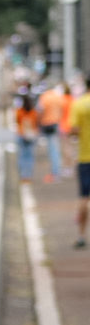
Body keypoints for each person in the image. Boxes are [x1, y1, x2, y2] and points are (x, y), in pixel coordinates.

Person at [66, 77, 90, 248]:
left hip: (85, 157)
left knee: (84, 198)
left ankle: (81, 236)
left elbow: (73, 130)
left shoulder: (79, 104)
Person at [37, 83, 65, 183]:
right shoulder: (58, 97)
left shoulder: (44, 97)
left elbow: (40, 110)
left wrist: (38, 123)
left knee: (52, 149)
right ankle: (56, 172)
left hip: (47, 123)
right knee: (55, 148)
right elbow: (63, 109)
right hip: (56, 123)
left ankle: (55, 173)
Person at [15, 93, 39, 184]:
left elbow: (17, 121)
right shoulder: (33, 112)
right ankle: (28, 176)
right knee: (30, 156)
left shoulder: (19, 111)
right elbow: (36, 123)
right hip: (31, 135)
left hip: (21, 134)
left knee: (22, 155)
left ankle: (22, 176)